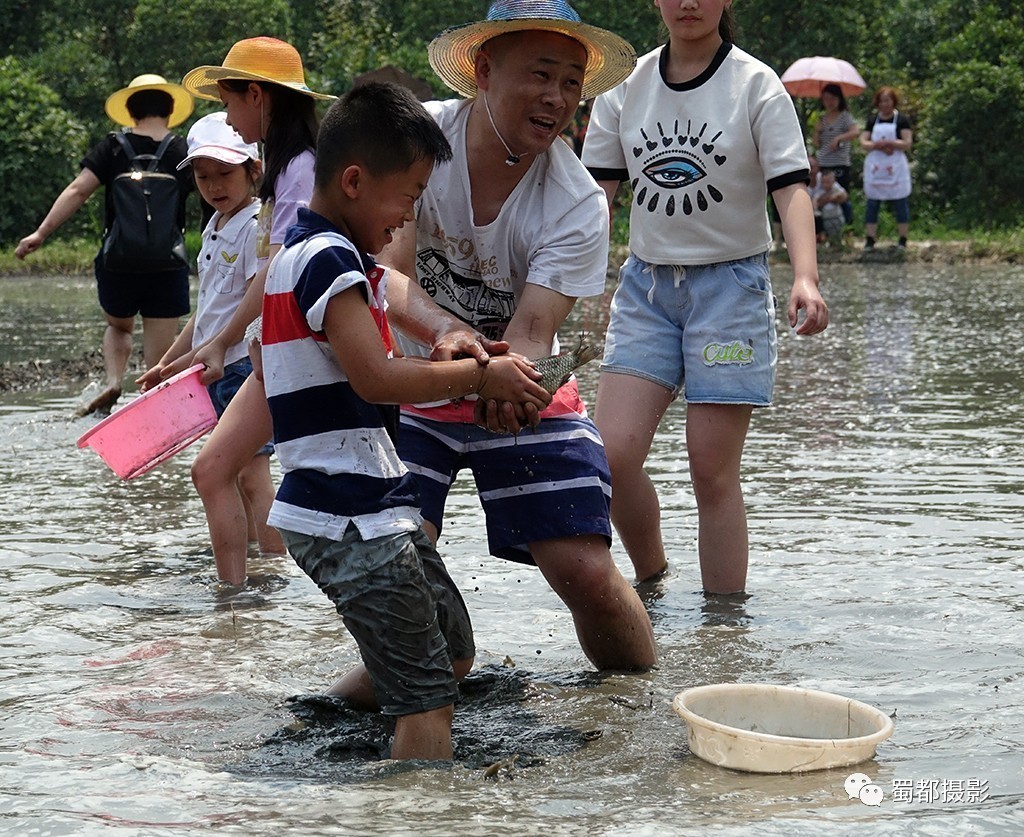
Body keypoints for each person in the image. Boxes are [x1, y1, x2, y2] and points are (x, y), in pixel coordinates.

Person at [369, 0, 658, 682]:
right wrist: (448, 333)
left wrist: (506, 382)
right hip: (412, 384)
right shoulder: (417, 144)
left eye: (570, 83)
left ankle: (641, 705)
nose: (556, 98)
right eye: (541, 75)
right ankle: (397, 694)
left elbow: (532, 332)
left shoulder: (577, 200)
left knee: (586, 572)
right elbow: (387, 273)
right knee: (397, 558)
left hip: (521, 386)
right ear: (483, 71)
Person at [263, 81, 550, 760]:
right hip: (348, 516)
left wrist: (447, 346)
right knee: (429, 699)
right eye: (408, 197)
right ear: (356, 181)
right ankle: (417, 806)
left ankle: (318, 723)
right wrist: (482, 374)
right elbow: (378, 377)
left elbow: (363, 363)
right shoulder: (328, 261)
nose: (407, 219)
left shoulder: (321, 258)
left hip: (373, 506)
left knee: (451, 650)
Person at [581, 0, 829, 591]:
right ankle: (652, 580)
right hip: (646, 288)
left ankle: (724, 634)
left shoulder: (755, 84)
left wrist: (805, 277)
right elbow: (595, 197)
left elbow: (790, 187)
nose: (688, 3)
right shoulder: (626, 85)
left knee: (710, 470)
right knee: (610, 458)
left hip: (731, 291)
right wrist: (567, 282)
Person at [167, 37, 333, 586]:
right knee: (226, 472)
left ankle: (240, 599)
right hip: (274, 350)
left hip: (289, 349)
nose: (230, 117)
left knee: (219, 470)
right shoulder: (291, 169)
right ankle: (257, 597)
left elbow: (278, 271)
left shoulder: (300, 171)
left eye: (231, 102)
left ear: (257, 96)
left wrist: (220, 342)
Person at [136, 112, 283, 584]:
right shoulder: (217, 226)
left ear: (253, 171)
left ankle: (276, 567)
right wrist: (167, 363)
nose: (215, 185)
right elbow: (208, 312)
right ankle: (259, 563)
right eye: (203, 177)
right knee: (234, 475)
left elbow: (250, 305)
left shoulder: (255, 226)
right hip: (216, 369)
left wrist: (210, 349)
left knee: (250, 476)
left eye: (225, 174)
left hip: (242, 367)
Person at [15, 74, 195, 416]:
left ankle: (113, 380)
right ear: (171, 112)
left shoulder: (113, 147)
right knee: (159, 358)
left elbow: (78, 191)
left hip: (118, 262)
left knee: (118, 326)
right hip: (167, 263)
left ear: (130, 112)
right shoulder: (181, 150)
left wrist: (40, 233)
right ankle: (154, 418)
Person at [860, 86, 913, 251]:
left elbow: (907, 143)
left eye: (887, 100)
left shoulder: (902, 120)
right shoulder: (872, 120)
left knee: (900, 201)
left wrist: (891, 143)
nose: (885, 104)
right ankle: (870, 238)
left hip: (895, 166)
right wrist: (878, 145)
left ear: (893, 101)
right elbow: (863, 142)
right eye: (882, 100)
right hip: (876, 165)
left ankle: (903, 238)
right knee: (873, 202)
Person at [813, 82, 859, 226]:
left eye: (833, 98)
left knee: (841, 195)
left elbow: (855, 132)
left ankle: (847, 228)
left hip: (840, 162)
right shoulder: (822, 119)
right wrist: (817, 130)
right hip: (824, 163)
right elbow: (816, 143)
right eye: (826, 99)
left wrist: (839, 138)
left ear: (839, 99)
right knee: (821, 195)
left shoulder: (845, 117)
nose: (829, 102)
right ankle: (824, 228)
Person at [811, 168, 848, 246]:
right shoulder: (820, 191)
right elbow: (815, 200)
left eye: (828, 182)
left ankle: (839, 242)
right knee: (829, 230)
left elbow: (843, 194)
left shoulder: (836, 188)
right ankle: (830, 242)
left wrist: (835, 196)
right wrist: (816, 209)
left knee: (839, 230)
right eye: (824, 182)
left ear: (833, 181)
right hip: (827, 218)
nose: (826, 184)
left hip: (837, 216)